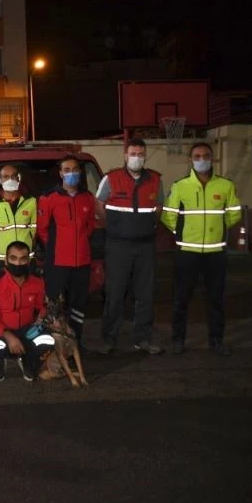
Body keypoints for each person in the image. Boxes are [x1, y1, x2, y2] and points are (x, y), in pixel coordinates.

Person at [161, 142, 242, 356]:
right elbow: (168, 216)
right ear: (191, 159)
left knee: (216, 299)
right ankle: (178, 340)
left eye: (205, 156)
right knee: (181, 298)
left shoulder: (225, 186)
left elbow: (234, 213)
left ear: (212, 158)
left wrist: (218, 230)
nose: (201, 159)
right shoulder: (180, 186)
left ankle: (216, 340)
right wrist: (182, 235)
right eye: (197, 156)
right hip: (187, 253)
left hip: (216, 254)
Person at [95, 138, 164, 355]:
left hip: (145, 246)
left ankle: (142, 339)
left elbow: (159, 207)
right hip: (118, 246)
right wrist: (116, 227)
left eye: (141, 154)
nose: (137, 157)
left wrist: (144, 227)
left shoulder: (155, 179)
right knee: (114, 294)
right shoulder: (111, 178)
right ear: (125, 156)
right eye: (133, 153)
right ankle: (109, 340)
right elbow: (99, 206)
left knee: (145, 295)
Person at [36, 154, 96, 352]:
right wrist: (57, 246)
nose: (72, 174)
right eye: (67, 170)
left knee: (78, 306)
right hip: (58, 262)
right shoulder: (48, 198)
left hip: (82, 262)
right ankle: (54, 345)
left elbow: (90, 226)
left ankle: (76, 342)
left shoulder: (87, 198)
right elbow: (42, 229)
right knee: (54, 306)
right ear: (61, 173)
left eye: (75, 170)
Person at [0, 242, 48, 382]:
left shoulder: (37, 281)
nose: (18, 263)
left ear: (28, 261)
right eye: (13, 258)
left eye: (23, 259)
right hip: (1, 332)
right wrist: (8, 335)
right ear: (6, 260)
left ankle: (29, 363)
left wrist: (43, 319)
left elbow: (41, 307)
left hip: (27, 330)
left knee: (47, 340)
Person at [0, 164, 37, 275]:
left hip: (25, 259)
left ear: (18, 178)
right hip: (1, 260)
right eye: (6, 177)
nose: (10, 180)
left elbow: (35, 229)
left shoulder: (31, 202)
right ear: (0, 180)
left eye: (13, 176)